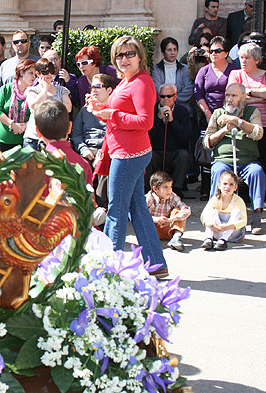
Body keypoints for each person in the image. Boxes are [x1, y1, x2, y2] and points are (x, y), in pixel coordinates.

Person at [89, 35, 167, 277]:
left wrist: (111, 114)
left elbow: (146, 121)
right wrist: (102, 111)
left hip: (129, 154)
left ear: (140, 56)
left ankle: (109, 268)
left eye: (129, 53)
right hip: (125, 151)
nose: (124, 59)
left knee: (116, 210)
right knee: (137, 209)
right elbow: (118, 115)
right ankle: (156, 264)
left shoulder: (141, 83)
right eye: (120, 54)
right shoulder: (126, 81)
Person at [203, 82, 265, 234]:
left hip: (247, 161)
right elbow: (207, 142)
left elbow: (258, 133)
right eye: (227, 95)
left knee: (257, 171)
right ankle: (213, 215)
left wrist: (238, 122)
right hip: (223, 161)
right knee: (218, 171)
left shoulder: (252, 112)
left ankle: (257, 215)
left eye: (234, 95)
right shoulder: (218, 113)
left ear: (243, 98)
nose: (229, 99)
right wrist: (224, 129)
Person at [228, 42, 266, 212]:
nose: (243, 61)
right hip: (243, 124)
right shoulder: (236, 74)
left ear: (257, 59)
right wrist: (261, 96)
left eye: (247, 58)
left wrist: (248, 93)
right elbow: (235, 96)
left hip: (265, 125)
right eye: (241, 57)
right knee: (245, 160)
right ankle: (244, 197)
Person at [195, 36, 238, 199]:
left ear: (226, 53)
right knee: (207, 151)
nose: (213, 54)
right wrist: (208, 114)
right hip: (208, 114)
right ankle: (206, 187)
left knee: (226, 150)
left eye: (217, 51)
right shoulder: (204, 71)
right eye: (211, 51)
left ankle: (229, 187)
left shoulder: (234, 70)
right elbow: (198, 94)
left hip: (229, 114)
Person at [72, 73, 115, 209]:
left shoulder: (112, 110)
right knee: (77, 168)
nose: (93, 90)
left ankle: (103, 208)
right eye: (91, 87)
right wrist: (83, 149)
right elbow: (76, 134)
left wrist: (101, 153)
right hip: (87, 149)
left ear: (109, 90)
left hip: (106, 149)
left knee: (105, 167)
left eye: (97, 86)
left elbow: (113, 135)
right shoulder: (85, 110)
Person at [146, 84, 192, 197]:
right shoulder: (151, 111)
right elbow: (148, 136)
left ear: (175, 97)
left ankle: (176, 189)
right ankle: (149, 189)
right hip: (156, 151)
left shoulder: (182, 112)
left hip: (175, 151)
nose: (166, 99)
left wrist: (172, 122)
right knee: (147, 156)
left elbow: (185, 138)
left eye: (169, 96)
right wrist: (158, 119)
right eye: (162, 96)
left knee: (184, 155)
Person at [35, 99, 93, 187]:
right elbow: (89, 198)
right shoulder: (83, 164)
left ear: (38, 132)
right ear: (70, 127)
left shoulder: (35, 167)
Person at [23, 58, 71, 150]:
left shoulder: (61, 90)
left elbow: (68, 108)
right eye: (45, 72)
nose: (49, 75)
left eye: (51, 71)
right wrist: (45, 89)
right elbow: (34, 106)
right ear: (38, 73)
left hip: (54, 139)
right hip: (33, 137)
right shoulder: (32, 90)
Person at [0, 59, 35, 151]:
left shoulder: (34, 92)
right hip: (3, 140)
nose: (34, 76)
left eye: (35, 74)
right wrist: (12, 124)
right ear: (21, 72)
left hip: (24, 141)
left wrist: (27, 125)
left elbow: (38, 114)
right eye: (31, 73)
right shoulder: (6, 89)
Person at [200, 170, 247, 250]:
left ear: (235, 187)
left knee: (236, 211)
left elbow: (244, 221)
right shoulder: (215, 199)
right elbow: (203, 215)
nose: (227, 187)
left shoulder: (239, 201)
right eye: (225, 184)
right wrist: (211, 225)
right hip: (218, 230)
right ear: (219, 185)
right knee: (211, 211)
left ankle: (223, 240)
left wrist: (228, 226)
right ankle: (208, 239)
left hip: (233, 233)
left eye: (231, 184)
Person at [146, 171, 191, 252]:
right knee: (143, 217)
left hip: (168, 229)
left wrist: (171, 219)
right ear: (155, 189)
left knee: (178, 211)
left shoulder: (172, 196)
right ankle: (149, 241)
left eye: (170, 186)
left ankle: (176, 238)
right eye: (165, 187)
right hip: (153, 230)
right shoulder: (148, 198)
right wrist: (155, 219)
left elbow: (186, 209)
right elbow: (140, 215)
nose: (169, 190)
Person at [151, 37, 194, 113]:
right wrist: (179, 86)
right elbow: (157, 88)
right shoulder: (156, 69)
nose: (173, 53)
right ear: (162, 52)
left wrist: (171, 100)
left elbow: (189, 89)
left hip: (182, 108)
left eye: (175, 49)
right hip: (161, 108)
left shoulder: (185, 68)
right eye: (169, 50)